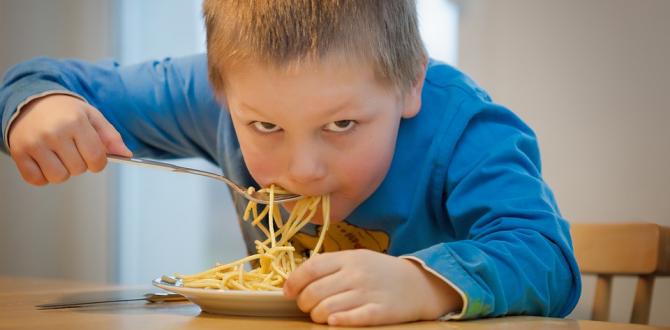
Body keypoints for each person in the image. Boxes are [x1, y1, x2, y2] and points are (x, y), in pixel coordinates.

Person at [0, 0, 581, 326]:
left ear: (410, 85)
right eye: (265, 127)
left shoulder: (465, 128)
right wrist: (39, 105)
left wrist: (423, 284)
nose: (301, 169)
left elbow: (547, 256)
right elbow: (44, 80)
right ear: (222, 90)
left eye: (342, 125)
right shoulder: (216, 92)